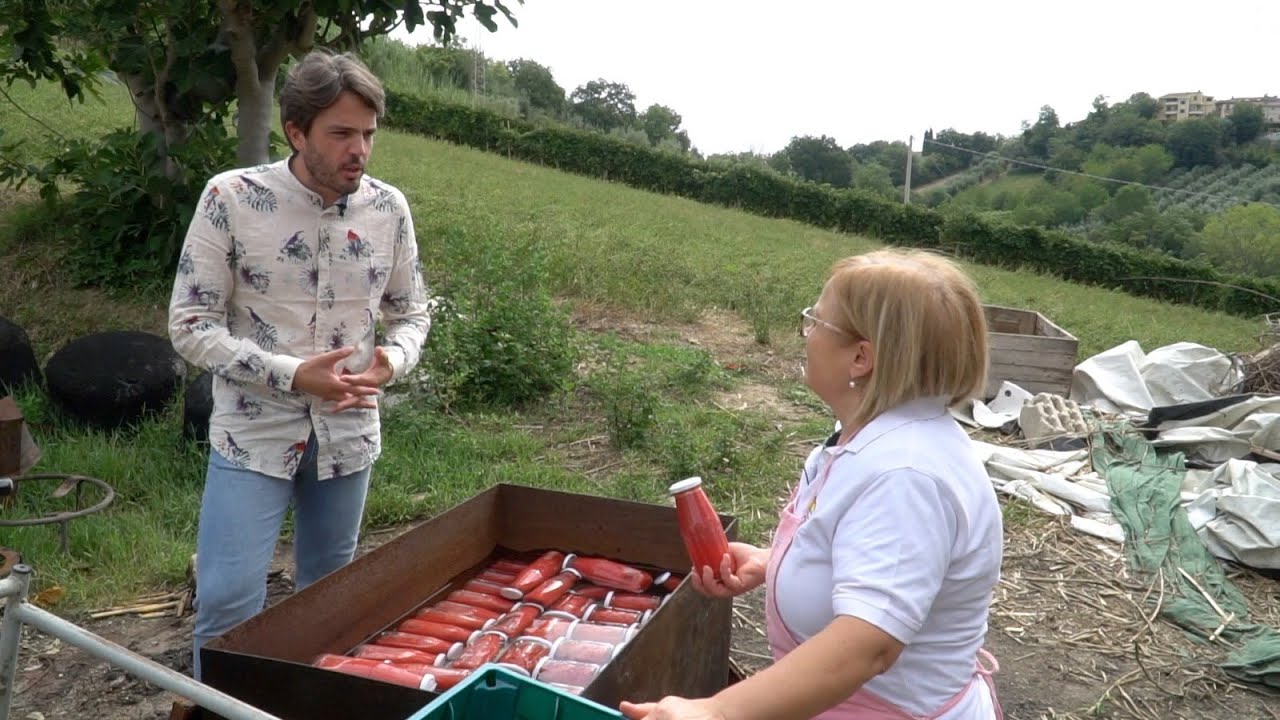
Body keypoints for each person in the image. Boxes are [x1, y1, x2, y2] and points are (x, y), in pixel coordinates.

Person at [623, 249, 1004, 720]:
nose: (806, 335)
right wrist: (776, 564)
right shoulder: (875, 437)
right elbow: (871, 557)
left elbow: (866, 646)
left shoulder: (905, 477)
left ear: (861, 357)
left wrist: (718, 713)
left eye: (815, 322)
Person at [167, 50, 430, 680]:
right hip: (252, 433)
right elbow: (189, 325)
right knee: (229, 602)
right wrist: (290, 373)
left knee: (329, 598)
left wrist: (391, 363)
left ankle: (308, 705)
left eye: (368, 133)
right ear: (296, 131)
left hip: (348, 434)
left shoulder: (388, 209)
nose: (359, 150)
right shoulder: (230, 197)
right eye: (340, 133)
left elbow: (413, 312)